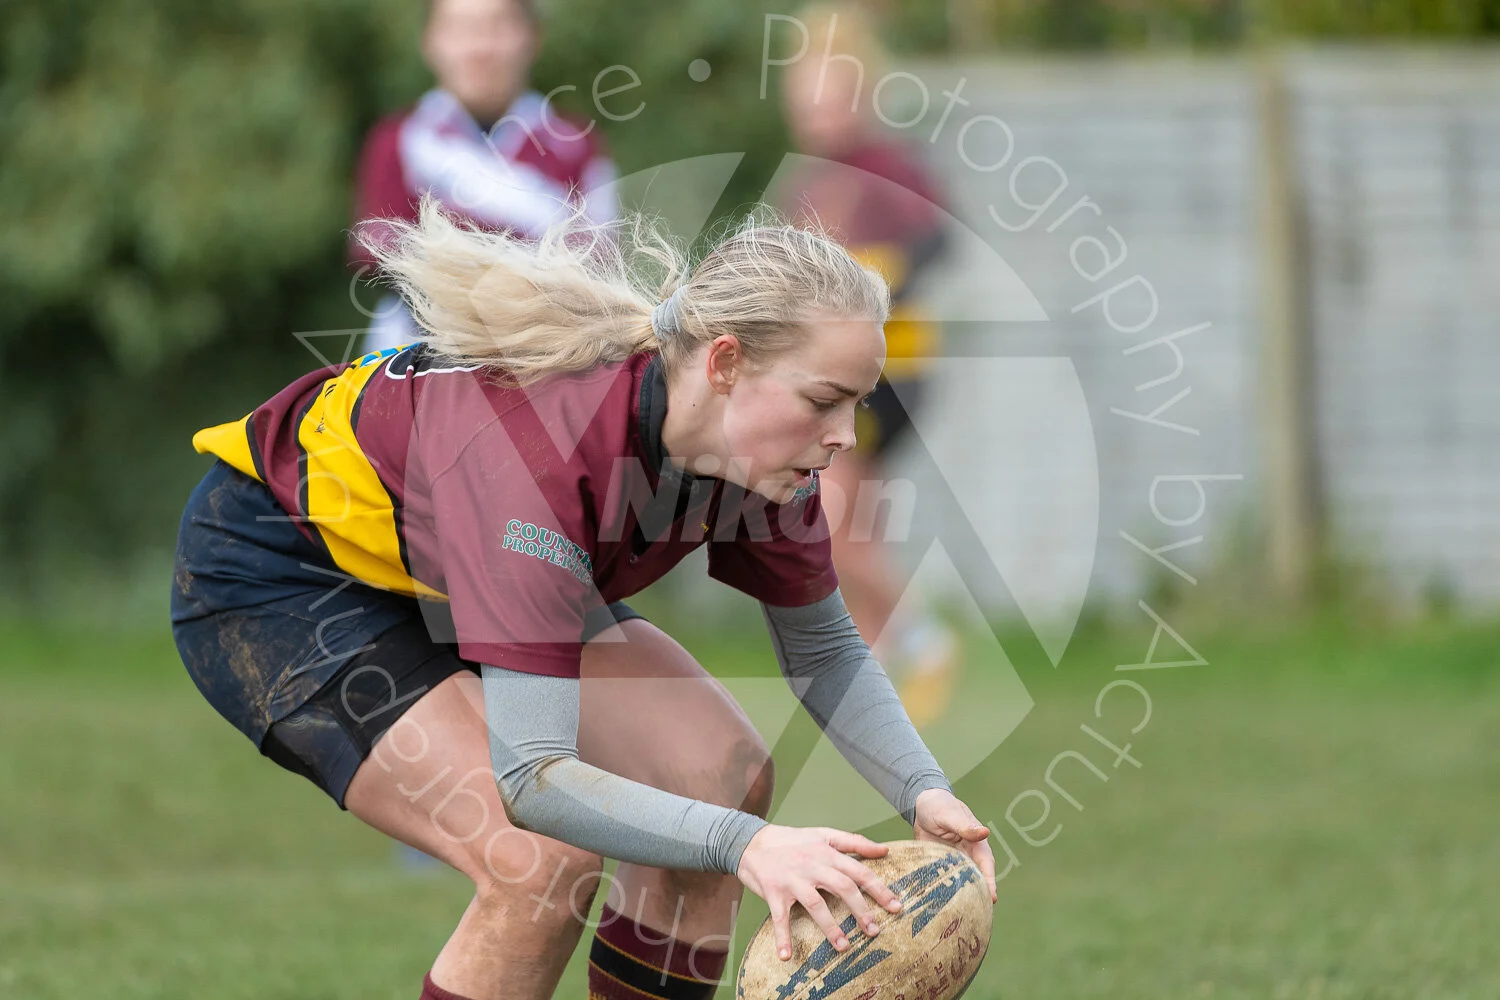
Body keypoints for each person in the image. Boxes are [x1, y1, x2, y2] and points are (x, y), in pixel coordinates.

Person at [171, 199, 996, 1000]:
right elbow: (533, 780)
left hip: (448, 574)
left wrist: (924, 792)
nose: (847, 435)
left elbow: (824, 653)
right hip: (286, 577)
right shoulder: (538, 456)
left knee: (722, 776)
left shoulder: (758, 462)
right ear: (725, 362)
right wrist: (749, 850)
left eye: (857, 402)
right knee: (539, 865)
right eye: (824, 401)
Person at [775, 5, 960, 727]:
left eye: (828, 94)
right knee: (850, 523)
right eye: (803, 97)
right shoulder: (812, 180)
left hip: (889, 373)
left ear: (857, 95)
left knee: (822, 518)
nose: (814, 110)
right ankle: (879, 678)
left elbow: (940, 245)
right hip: (841, 374)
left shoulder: (884, 167)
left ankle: (920, 636)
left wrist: (873, 278)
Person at [349, 0, 617, 353]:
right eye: (460, 28)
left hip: (545, 359)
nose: (479, 48)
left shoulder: (576, 146)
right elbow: (379, 256)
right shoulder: (398, 141)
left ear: (533, 36)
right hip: (418, 358)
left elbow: (598, 266)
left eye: (498, 27)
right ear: (430, 40)